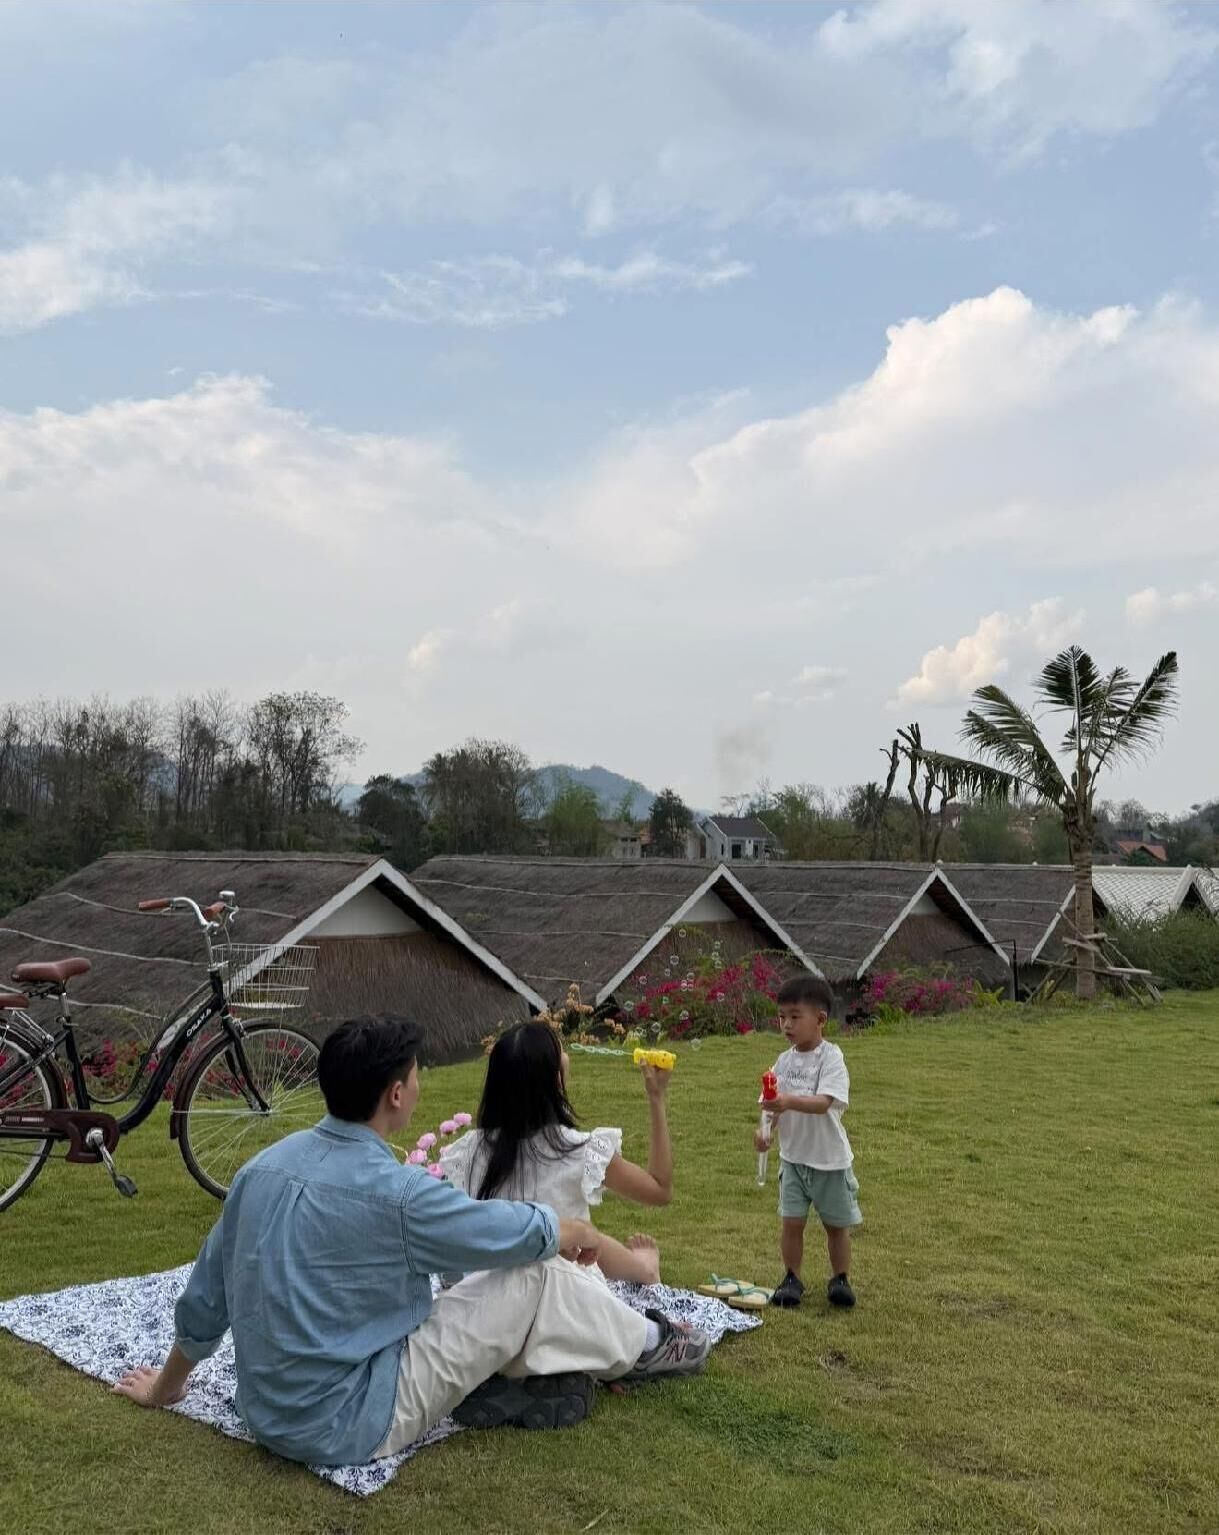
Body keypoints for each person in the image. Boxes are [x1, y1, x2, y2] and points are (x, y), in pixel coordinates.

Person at [112, 1014, 709, 1464]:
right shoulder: (398, 1192)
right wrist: (572, 1229)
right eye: (417, 1073)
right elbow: (508, 1234)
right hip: (354, 1420)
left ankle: (549, 1367)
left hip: (267, 1414)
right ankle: (653, 1342)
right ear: (397, 1094)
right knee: (534, 1267)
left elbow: (205, 1295)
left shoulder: (260, 1168)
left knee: (522, 1266)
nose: (421, 1082)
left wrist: (168, 1387)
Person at [440, 1021, 671, 1285]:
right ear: (555, 1079)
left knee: (581, 1232)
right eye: (560, 1051)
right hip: (565, 1293)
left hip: (492, 1291)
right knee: (581, 1232)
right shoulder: (579, 1150)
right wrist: (656, 1098)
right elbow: (659, 1190)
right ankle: (647, 1272)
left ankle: (643, 1269)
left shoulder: (467, 1151)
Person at [754, 975, 861, 1310]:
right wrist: (765, 1131)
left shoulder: (832, 1058)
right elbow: (770, 1105)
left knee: (835, 1226)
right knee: (792, 1223)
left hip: (829, 1161)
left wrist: (787, 1102)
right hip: (794, 1159)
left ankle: (840, 1278)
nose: (786, 1024)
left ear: (820, 1019)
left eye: (795, 1016)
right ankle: (791, 1278)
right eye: (782, 1016)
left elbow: (825, 1102)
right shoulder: (782, 1062)